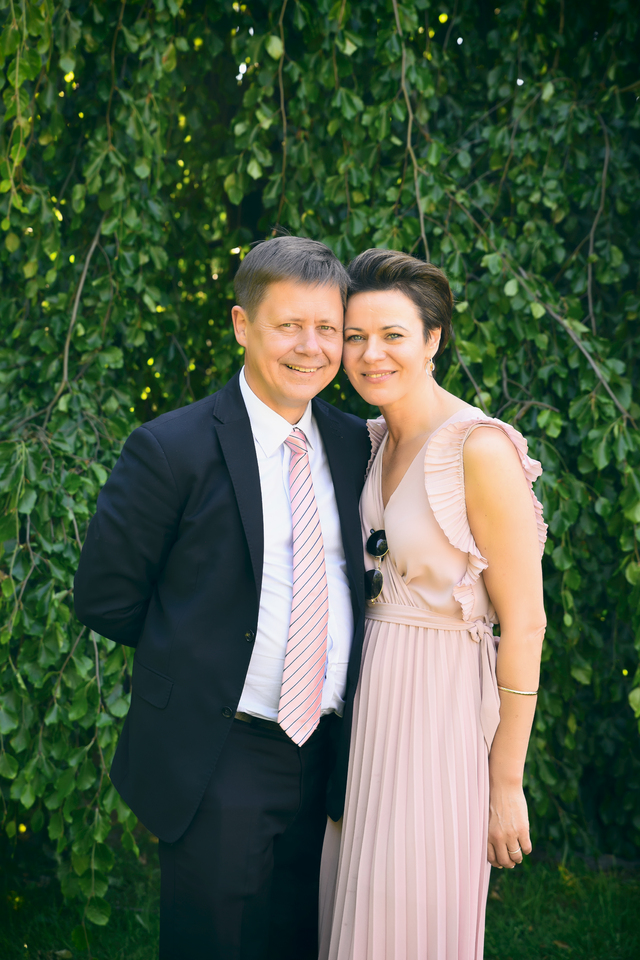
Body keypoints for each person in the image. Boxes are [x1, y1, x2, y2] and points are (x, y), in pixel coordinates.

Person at [74, 236, 372, 960]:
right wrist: (201, 646)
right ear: (243, 324)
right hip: (221, 749)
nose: (311, 347)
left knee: (303, 936)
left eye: (327, 328)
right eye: (288, 326)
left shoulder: (356, 444)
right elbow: (106, 598)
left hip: (331, 751)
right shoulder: (171, 448)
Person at [319, 249, 547, 960]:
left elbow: (526, 622)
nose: (370, 354)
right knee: (351, 909)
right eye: (355, 337)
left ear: (433, 340)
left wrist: (505, 782)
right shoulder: (372, 440)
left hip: (440, 713)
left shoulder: (479, 448)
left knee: (407, 916)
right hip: (366, 710)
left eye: (392, 335)